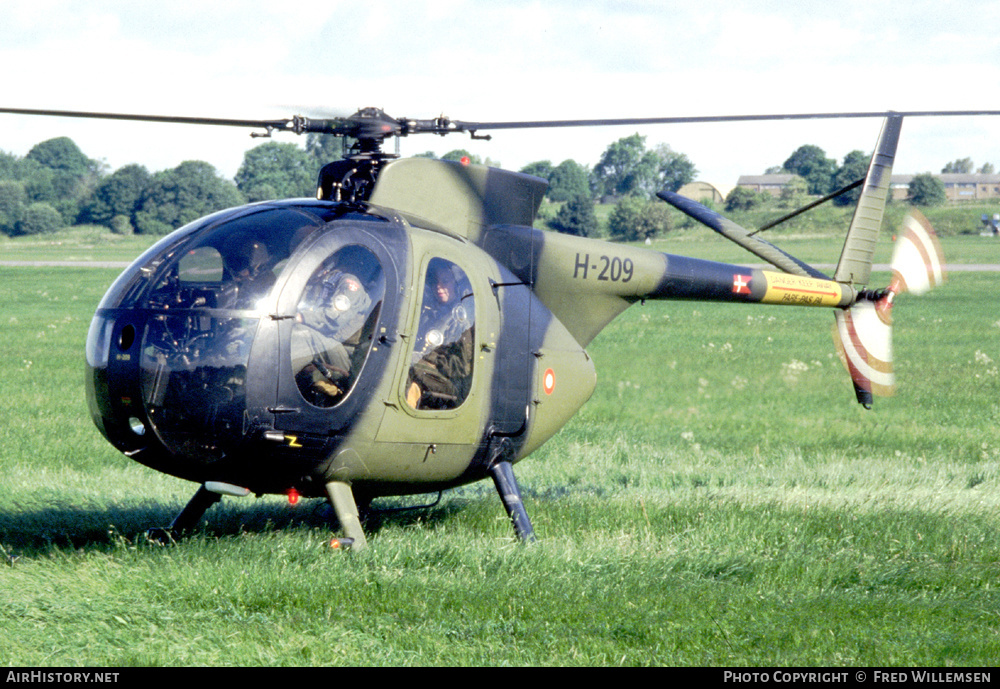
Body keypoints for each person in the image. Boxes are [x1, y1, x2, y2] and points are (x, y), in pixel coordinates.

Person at [291, 269, 372, 406]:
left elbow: (333, 320)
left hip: (347, 355)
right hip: (326, 346)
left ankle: (269, 381)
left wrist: (300, 317)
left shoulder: (347, 284)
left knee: (303, 334)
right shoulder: (316, 285)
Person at [406, 259, 475, 410]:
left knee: (410, 370)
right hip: (425, 372)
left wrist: (431, 359)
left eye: (445, 281)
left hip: (450, 382)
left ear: (456, 286)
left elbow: (463, 368)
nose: (439, 286)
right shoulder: (427, 313)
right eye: (435, 282)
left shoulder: (462, 321)